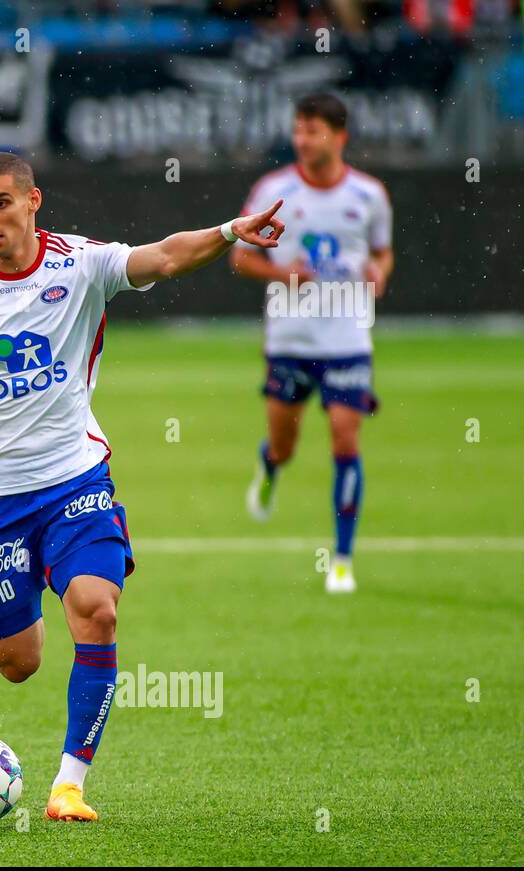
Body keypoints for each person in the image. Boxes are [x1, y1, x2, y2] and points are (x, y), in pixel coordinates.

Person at [0, 151, 285, 821]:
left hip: (74, 481)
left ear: (33, 201)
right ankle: (17, 608)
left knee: (96, 607)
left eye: (0, 203)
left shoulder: (80, 264)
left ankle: (69, 785)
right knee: (18, 663)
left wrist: (228, 232)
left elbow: (164, 258)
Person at [231, 92, 393, 594]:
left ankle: (342, 558)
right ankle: (270, 463)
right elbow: (240, 257)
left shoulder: (368, 196)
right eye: (298, 129)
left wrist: (378, 274)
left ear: (339, 137)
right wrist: (281, 273)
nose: (302, 139)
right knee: (285, 444)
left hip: (348, 337)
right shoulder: (272, 190)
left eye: (312, 130)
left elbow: (384, 254)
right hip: (290, 337)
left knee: (346, 437)